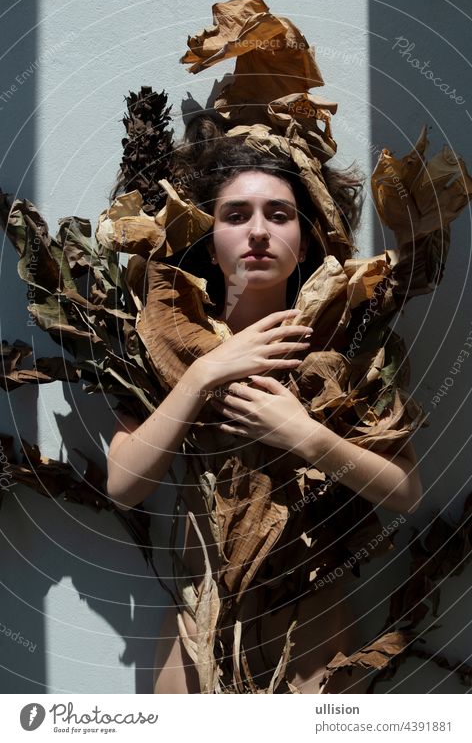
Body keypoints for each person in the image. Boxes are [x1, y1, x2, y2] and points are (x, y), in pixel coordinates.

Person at [106, 125, 423, 694]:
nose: (257, 231)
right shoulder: (161, 344)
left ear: (306, 237)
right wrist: (206, 372)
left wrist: (306, 437)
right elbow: (124, 484)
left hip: (311, 643)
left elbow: (405, 490)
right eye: (234, 215)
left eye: (279, 214)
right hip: (195, 643)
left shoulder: (348, 342)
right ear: (209, 240)